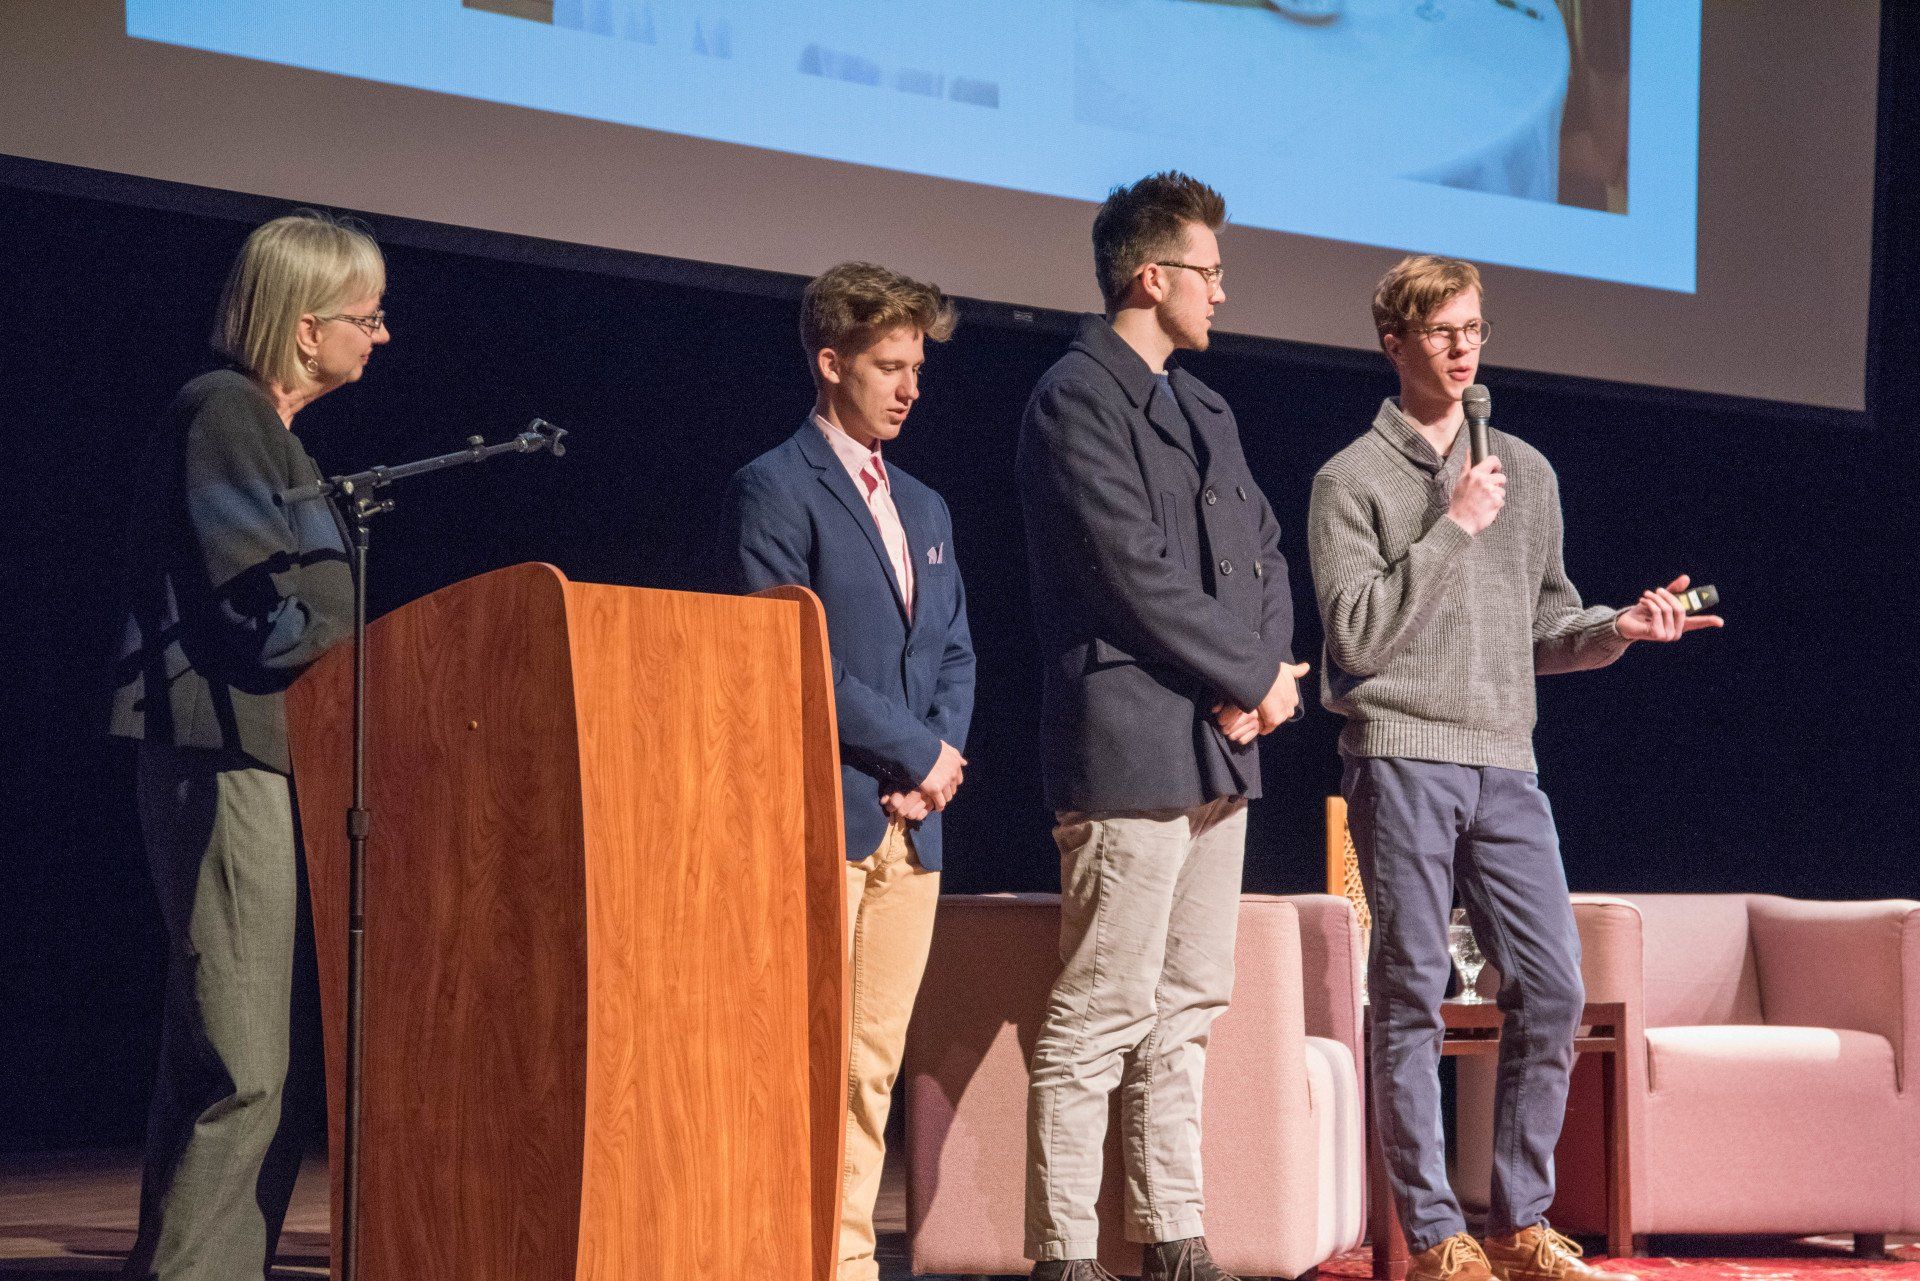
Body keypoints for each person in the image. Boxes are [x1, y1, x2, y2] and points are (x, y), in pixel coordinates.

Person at [1308, 254, 1719, 1281]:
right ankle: (1435, 1234)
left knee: (1553, 982)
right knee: (1413, 990)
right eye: (1441, 331)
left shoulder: (1524, 472)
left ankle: (1519, 1221)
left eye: (1474, 329)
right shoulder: (1348, 481)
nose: (1463, 349)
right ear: (1394, 343)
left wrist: (1618, 628)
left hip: (1505, 758)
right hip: (1402, 753)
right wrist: (1453, 525)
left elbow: (1543, 627)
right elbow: (1356, 636)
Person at [1017, 171, 1307, 1281]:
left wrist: (1264, 678)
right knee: (1103, 1007)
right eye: (1209, 272)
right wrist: (1248, 672)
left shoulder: (1206, 408)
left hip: (1219, 742)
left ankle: (1173, 1236)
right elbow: (1130, 570)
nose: (1221, 293)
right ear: (1152, 276)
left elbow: (1263, 553)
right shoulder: (1074, 397)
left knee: (1188, 1006)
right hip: (1131, 738)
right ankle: (1063, 1254)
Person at [108, 209, 387, 1279]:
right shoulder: (224, 413)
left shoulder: (281, 440)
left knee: (225, 1055)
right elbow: (256, 611)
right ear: (306, 328)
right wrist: (350, 617)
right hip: (222, 756)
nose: (381, 335)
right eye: (366, 316)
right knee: (244, 1062)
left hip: (265, 757)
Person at [724, 261, 976, 1281]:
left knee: (872, 1068)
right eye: (888, 367)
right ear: (831, 364)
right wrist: (914, 750)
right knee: (804, 1057)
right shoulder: (775, 486)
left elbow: (953, 653)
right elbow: (795, 655)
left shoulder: (925, 504)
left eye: (917, 368)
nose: (909, 388)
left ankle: (848, 1259)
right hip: (824, 813)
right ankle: (778, 1253)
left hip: (915, 825)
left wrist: (938, 764)